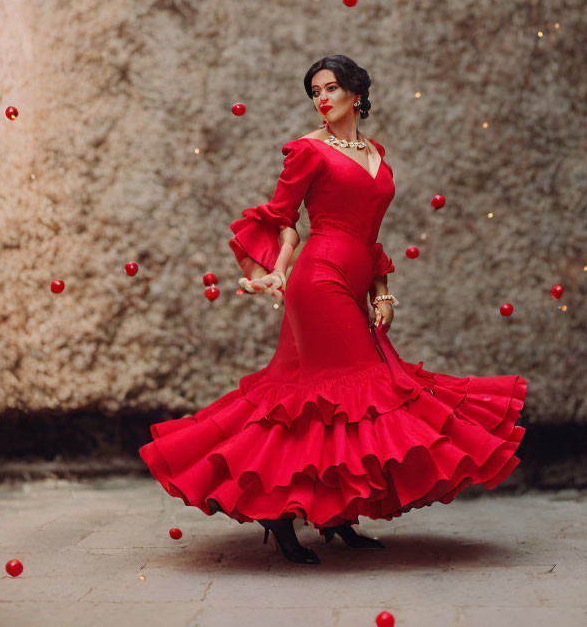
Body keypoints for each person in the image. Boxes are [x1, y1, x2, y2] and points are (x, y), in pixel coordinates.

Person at [139, 54, 528, 565]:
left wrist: (382, 291)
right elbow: (282, 218)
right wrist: (277, 269)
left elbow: (370, 233)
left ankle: (320, 512)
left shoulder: (375, 153)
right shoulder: (307, 151)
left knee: (316, 401)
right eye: (314, 92)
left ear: (356, 93)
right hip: (318, 279)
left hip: (357, 275)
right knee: (356, 392)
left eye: (330, 88)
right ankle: (300, 513)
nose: (321, 98)